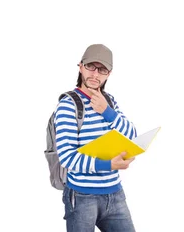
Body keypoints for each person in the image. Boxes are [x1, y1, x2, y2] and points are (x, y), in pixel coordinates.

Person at [54, 44, 138, 232]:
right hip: (82, 197)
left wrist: (107, 112)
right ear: (81, 67)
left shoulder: (110, 102)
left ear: (109, 74)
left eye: (102, 69)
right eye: (91, 66)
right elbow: (67, 158)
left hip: (115, 195)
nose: (95, 74)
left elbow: (131, 136)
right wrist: (108, 165)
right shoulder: (68, 105)